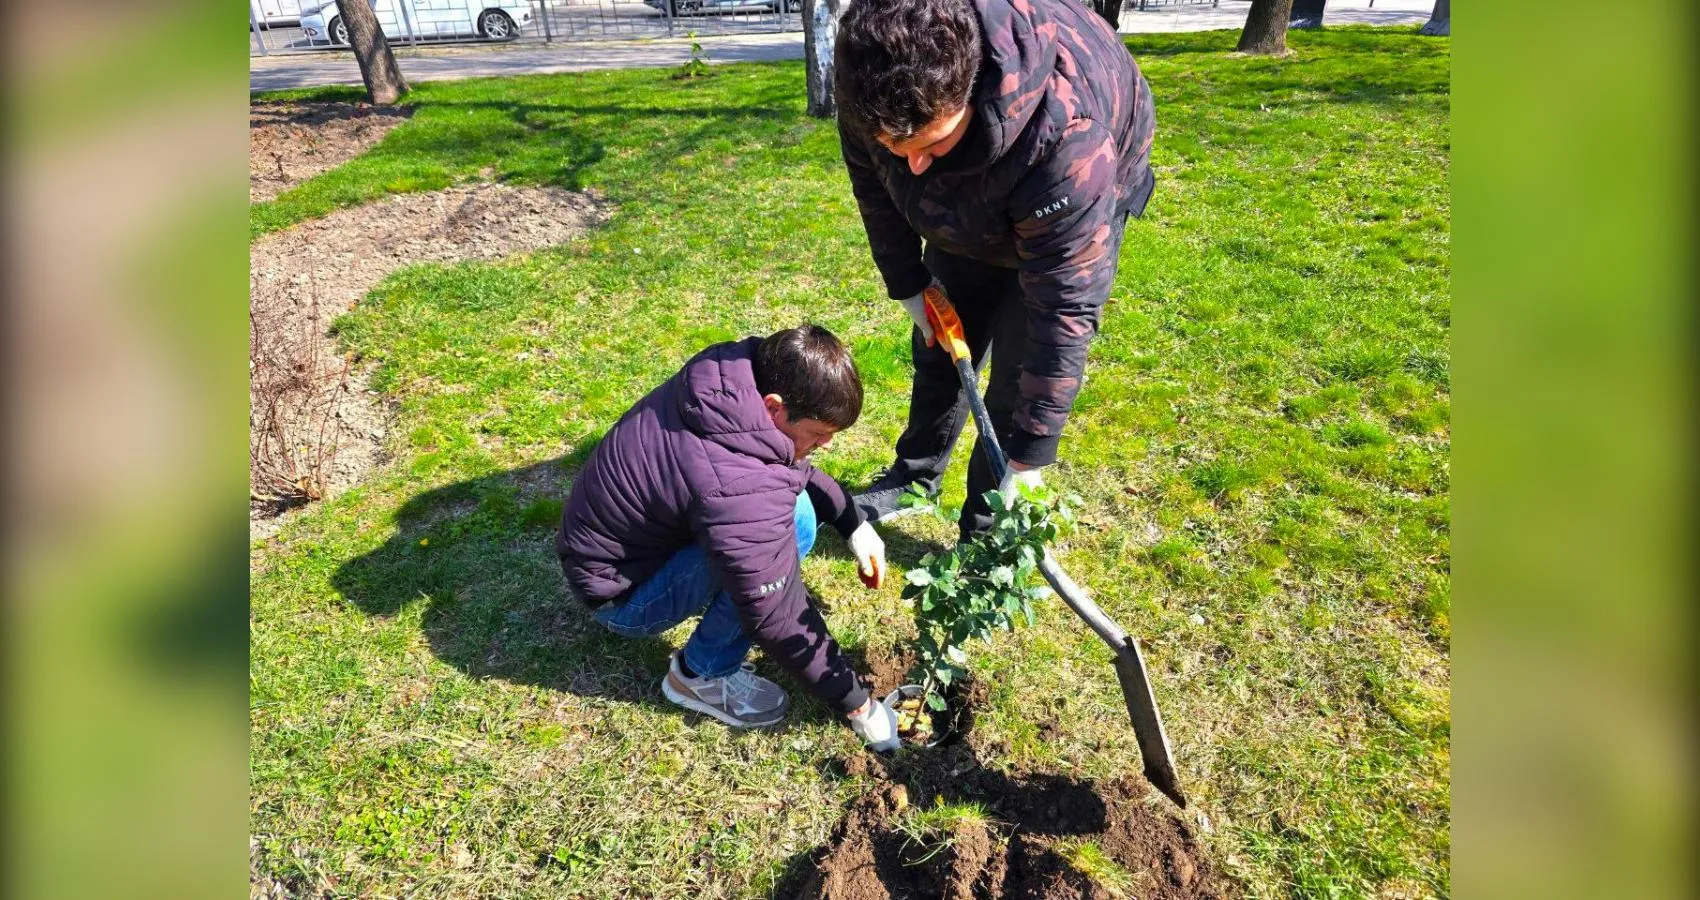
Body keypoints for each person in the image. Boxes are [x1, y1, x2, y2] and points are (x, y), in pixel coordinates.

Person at [833, 0, 1156, 540]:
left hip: (1061, 193)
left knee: (1016, 374)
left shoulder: (1069, 141)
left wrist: (1029, 458)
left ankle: (987, 526)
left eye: (929, 144)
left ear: (970, 90)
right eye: (894, 147)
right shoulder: (872, 82)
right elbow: (873, 185)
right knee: (941, 347)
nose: (910, 164)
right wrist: (907, 279)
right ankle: (916, 479)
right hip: (975, 197)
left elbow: (1064, 310)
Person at [555, 325, 900, 751]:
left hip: (611, 554)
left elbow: (788, 469)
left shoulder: (731, 386)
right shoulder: (736, 483)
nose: (825, 445)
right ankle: (700, 675)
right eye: (818, 434)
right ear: (774, 407)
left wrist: (853, 521)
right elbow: (776, 613)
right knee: (789, 529)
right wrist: (859, 705)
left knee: (796, 512)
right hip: (621, 596)